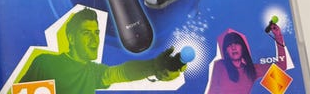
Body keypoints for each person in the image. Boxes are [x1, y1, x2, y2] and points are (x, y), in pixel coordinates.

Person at [18, 7, 186, 94]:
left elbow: (120, 73)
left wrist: (153, 66)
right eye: (86, 33)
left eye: (96, 33)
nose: (95, 39)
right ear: (71, 38)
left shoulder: (92, 72)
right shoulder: (45, 63)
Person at [206, 25, 287, 94]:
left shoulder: (252, 70)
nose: (233, 48)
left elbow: (281, 67)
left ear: (243, 48)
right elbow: (212, 91)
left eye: (237, 43)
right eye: (229, 45)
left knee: (279, 85)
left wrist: (278, 36)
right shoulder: (220, 65)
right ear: (226, 51)